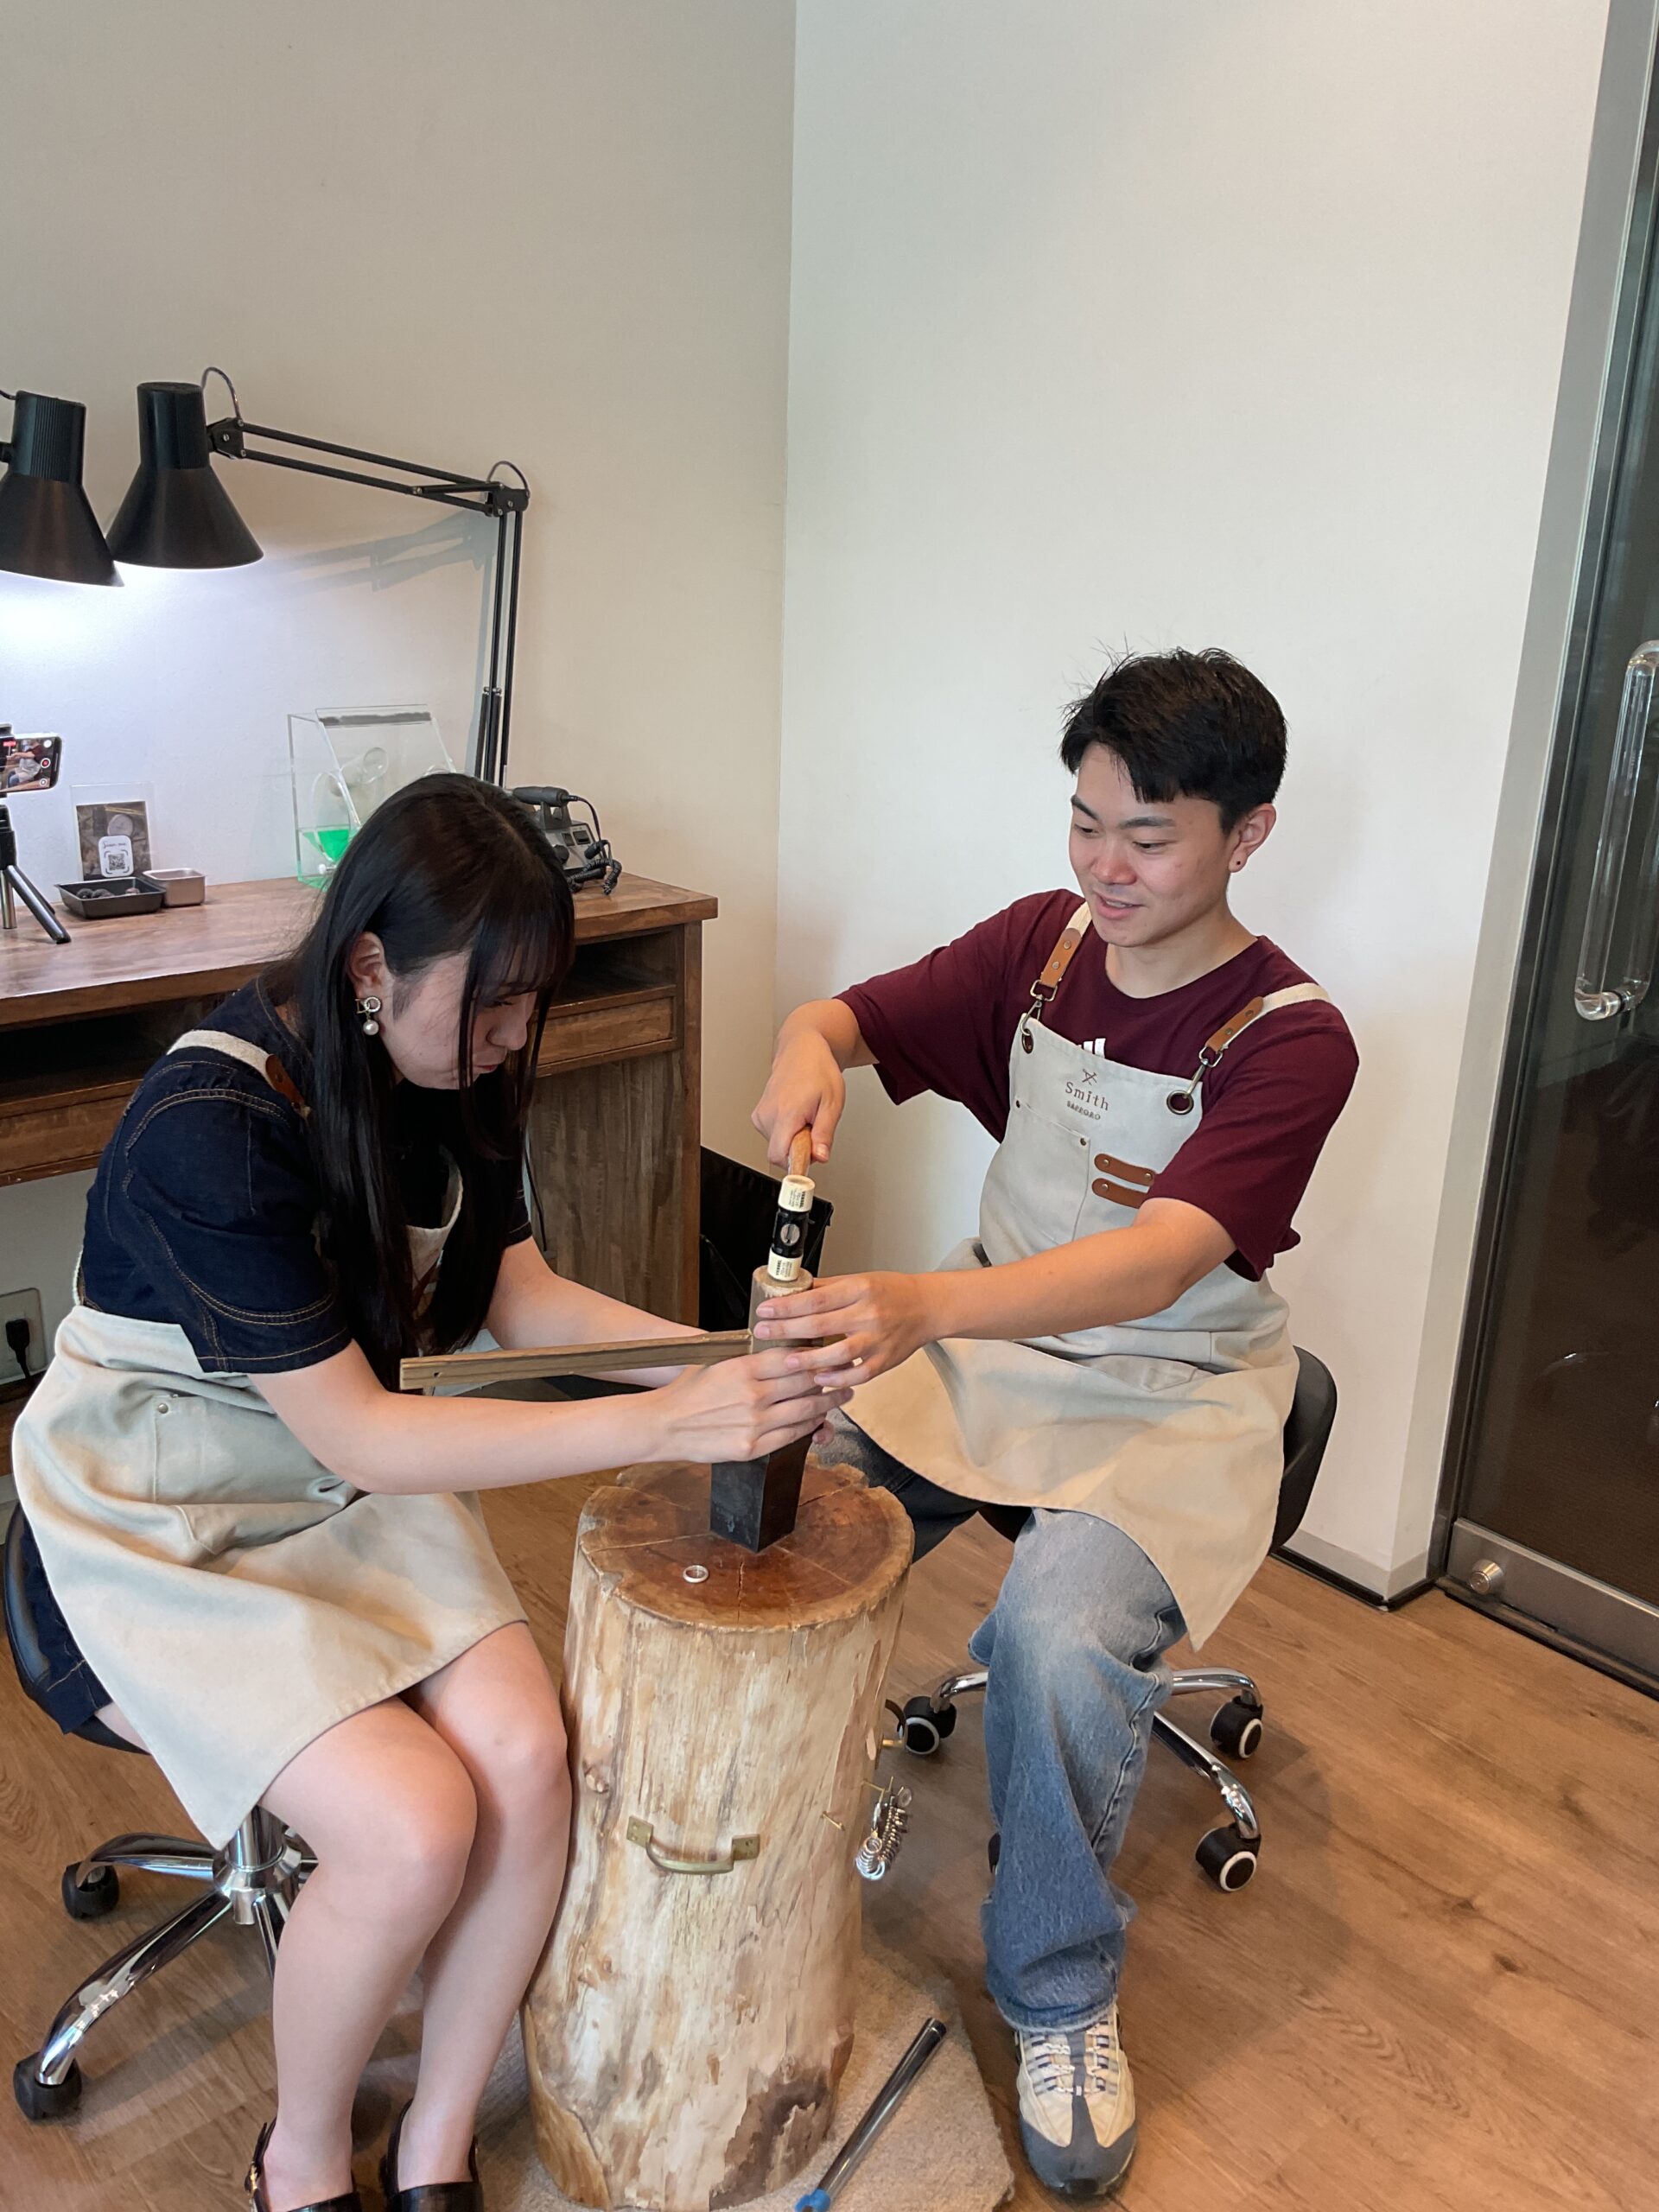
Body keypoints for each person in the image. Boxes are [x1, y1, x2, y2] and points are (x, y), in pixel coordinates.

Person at [11, 776, 846, 2212]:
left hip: (335, 1464)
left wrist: (729, 1361)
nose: (517, 1037)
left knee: (526, 1762)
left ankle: (436, 2141)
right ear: (368, 967)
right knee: (412, 1829)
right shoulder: (209, 1123)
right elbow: (367, 1437)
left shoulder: (455, 1073)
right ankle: (299, 2156)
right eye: (496, 1003)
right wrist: (672, 1420)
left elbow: (521, 1302)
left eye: (535, 1003)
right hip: (160, 1504)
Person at [749, 651, 1357, 2202]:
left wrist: (921, 1306)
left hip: (1173, 1389)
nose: (1106, 866)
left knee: (1055, 1631)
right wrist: (805, 1053)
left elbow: (1159, 1264)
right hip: (989, 1346)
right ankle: (748, 1862)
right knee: (770, 1504)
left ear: (1249, 834)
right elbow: (842, 1016)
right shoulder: (1040, 950)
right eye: (1086, 823)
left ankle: (1059, 1990)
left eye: (1149, 836)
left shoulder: (1293, 1036)